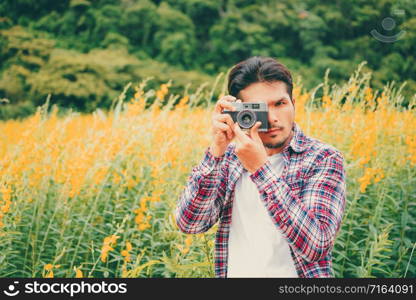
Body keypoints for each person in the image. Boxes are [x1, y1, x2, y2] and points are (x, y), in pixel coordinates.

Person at [175, 56, 347, 278]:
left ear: (293, 103)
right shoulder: (229, 158)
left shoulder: (322, 158)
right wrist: (216, 150)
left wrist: (260, 169)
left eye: (280, 104)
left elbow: (316, 245)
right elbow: (190, 223)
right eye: (260, 109)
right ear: (240, 112)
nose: (273, 118)